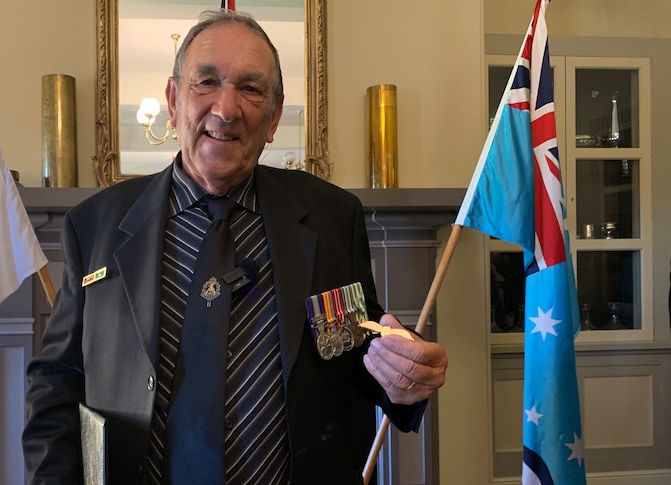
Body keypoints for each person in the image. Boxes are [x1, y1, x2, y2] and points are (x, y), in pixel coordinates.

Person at [23, 9, 448, 484]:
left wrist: (403, 370)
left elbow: (355, 343)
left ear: (273, 117)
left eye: (250, 88)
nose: (226, 109)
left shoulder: (331, 218)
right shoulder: (95, 224)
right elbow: (58, 381)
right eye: (205, 82)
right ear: (172, 98)